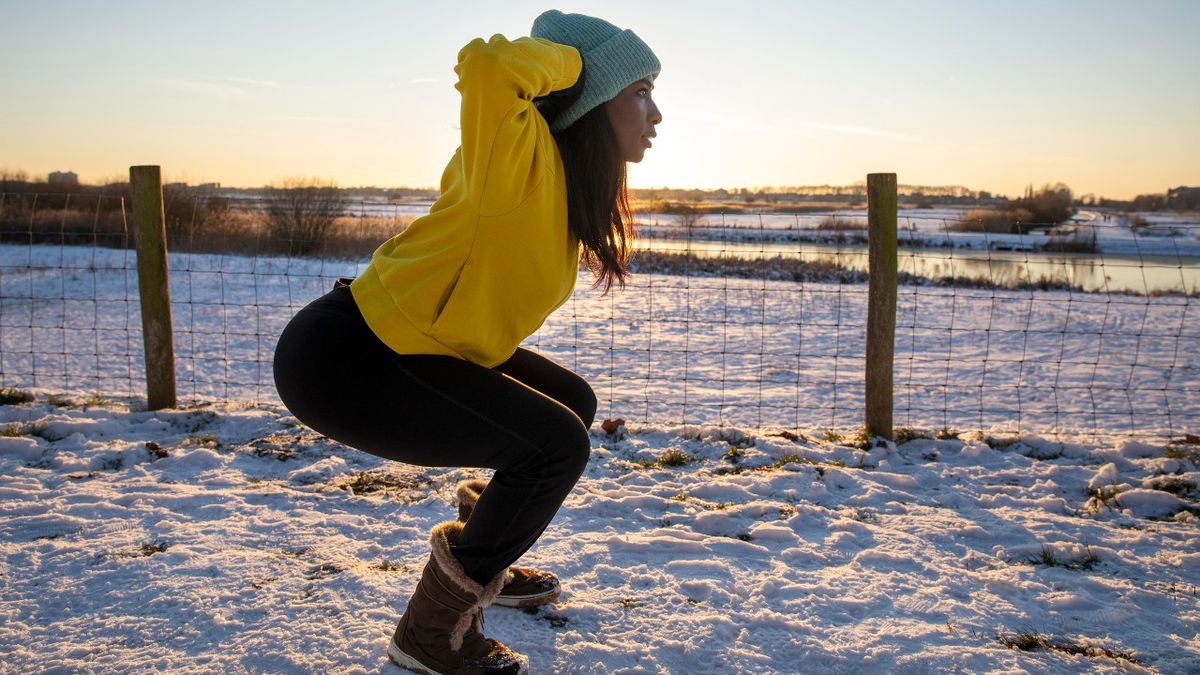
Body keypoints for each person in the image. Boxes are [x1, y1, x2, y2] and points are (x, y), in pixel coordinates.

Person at [273, 9, 661, 674]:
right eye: (641, 93)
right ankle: (433, 632)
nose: (656, 116)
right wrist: (581, 70)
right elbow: (486, 64)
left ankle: (486, 557)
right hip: (351, 355)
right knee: (554, 445)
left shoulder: (560, 181)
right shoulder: (517, 149)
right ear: (595, 100)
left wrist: (607, 78)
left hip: (422, 347)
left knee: (571, 401)